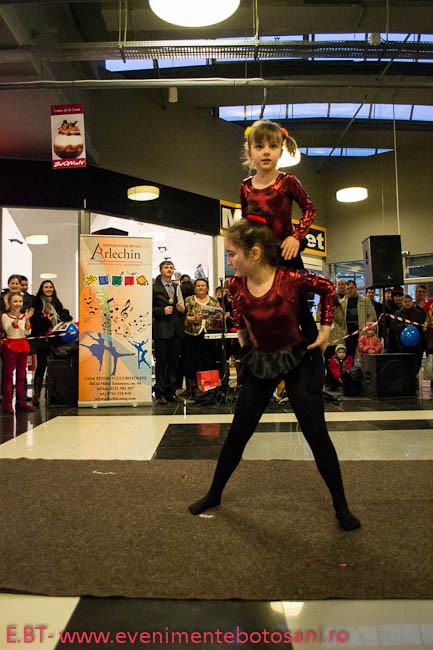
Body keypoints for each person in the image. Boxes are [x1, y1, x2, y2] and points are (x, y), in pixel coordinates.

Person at [189, 220, 360, 531]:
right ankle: (214, 494)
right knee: (238, 433)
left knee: (316, 435)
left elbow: (327, 289)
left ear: (254, 253)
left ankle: (341, 506)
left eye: (232, 254)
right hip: (261, 362)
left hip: (298, 361)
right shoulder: (237, 285)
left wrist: (324, 333)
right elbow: (239, 315)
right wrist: (244, 343)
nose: (229, 261)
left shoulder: (289, 279)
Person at [240, 119, 318, 346]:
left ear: (280, 152)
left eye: (272, 146)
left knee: (299, 308)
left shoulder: (288, 181)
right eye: (259, 146)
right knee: (261, 307)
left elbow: (309, 209)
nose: (266, 152)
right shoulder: (246, 186)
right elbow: (246, 223)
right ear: (250, 152)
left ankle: (314, 355)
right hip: (261, 258)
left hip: (287, 254)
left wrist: (296, 236)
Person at [30, 280, 72, 406]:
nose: (49, 289)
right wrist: (46, 321)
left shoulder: (57, 303)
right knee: (41, 366)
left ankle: (51, 394)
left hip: (55, 340)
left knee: (53, 367)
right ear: (41, 289)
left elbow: (62, 320)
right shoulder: (37, 303)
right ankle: (36, 394)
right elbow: (34, 323)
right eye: (46, 287)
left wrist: (65, 316)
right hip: (42, 340)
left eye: (50, 287)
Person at [152, 261, 186, 404]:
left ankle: (171, 392)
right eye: (166, 267)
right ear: (160, 270)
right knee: (161, 363)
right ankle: (160, 393)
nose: (169, 270)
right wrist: (162, 311)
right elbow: (148, 309)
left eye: (171, 268)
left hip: (176, 331)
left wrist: (183, 309)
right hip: (162, 331)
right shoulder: (154, 288)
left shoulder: (178, 287)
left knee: (174, 364)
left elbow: (184, 308)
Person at [182, 279, 222, 397]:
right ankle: (192, 388)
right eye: (198, 285)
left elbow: (219, 315)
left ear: (207, 288)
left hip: (209, 335)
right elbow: (182, 318)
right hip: (192, 335)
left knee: (208, 360)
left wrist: (219, 317)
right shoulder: (188, 300)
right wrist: (193, 318)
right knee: (191, 361)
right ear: (194, 288)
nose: (200, 287)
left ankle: (208, 388)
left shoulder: (213, 301)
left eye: (203, 285)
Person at [1, 293, 35, 413]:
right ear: (10, 303)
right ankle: (7, 404)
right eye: (15, 301)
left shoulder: (24, 316)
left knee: (21, 376)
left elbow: (27, 332)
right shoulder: (5, 316)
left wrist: (27, 318)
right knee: (8, 376)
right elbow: (8, 330)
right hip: (10, 346)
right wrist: (16, 319)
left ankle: (21, 403)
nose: (18, 304)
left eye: (20, 301)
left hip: (22, 346)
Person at [339, 280, 376, 361]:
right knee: (348, 358)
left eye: (351, 288)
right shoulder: (341, 303)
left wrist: (367, 329)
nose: (350, 290)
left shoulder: (366, 301)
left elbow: (371, 316)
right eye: (348, 289)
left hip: (362, 334)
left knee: (362, 358)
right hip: (347, 335)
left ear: (356, 288)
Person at [391, 295, 425, 373]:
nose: (407, 303)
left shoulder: (418, 313)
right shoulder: (397, 313)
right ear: (402, 303)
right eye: (405, 301)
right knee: (405, 363)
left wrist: (415, 327)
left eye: (409, 301)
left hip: (417, 345)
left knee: (416, 363)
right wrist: (404, 326)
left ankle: (415, 376)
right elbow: (393, 326)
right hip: (402, 345)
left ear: (412, 302)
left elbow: (423, 326)